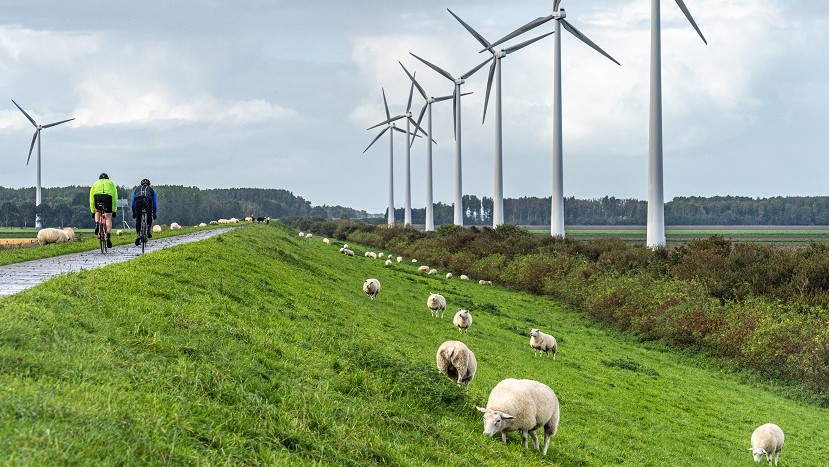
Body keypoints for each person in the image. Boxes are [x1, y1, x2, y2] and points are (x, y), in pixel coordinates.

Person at [89, 173, 118, 248]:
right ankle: (107, 235)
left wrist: (93, 211)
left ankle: (97, 224)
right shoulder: (111, 183)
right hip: (107, 197)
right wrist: (114, 210)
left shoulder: (95, 183)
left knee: (97, 211)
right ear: (107, 178)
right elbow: (115, 198)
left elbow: (91, 199)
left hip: (97, 196)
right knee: (108, 218)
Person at [131, 178, 158, 246]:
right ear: (149, 184)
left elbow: (132, 203)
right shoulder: (151, 190)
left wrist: (134, 213)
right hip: (148, 200)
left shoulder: (137, 189)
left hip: (138, 200)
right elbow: (154, 203)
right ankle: (148, 231)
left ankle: (138, 235)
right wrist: (154, 214)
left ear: (141, 184)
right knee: (149, 215)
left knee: (138, 219)